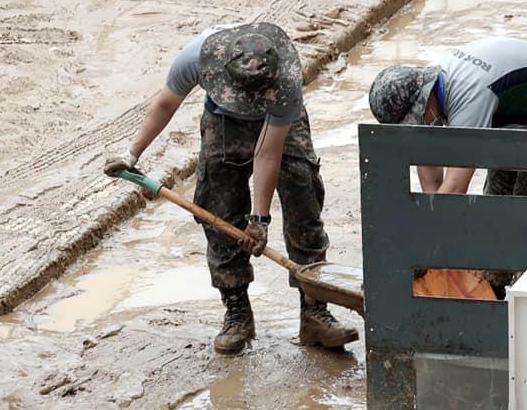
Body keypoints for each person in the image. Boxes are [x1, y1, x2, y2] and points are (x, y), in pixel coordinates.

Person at [104, 22, 358, 354]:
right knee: (218, 210)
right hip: (222, 121)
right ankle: (237, 312)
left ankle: (315, 311)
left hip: (281, 124)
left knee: (304, 201)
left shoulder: (285, 84)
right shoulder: (195, 57)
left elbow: (267, 154)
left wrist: (259, 220)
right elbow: (166, 104)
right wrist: (131, 153)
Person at [368, 36, 527, 196]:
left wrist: (433, 234)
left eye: (416, 120)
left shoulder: (469, 98)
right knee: (496, 210)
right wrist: (432, 213)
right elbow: (428, 166)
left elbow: (455, 188)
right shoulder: (429, 80)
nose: (417, 126)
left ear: (425, 100)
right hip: (513, 121)